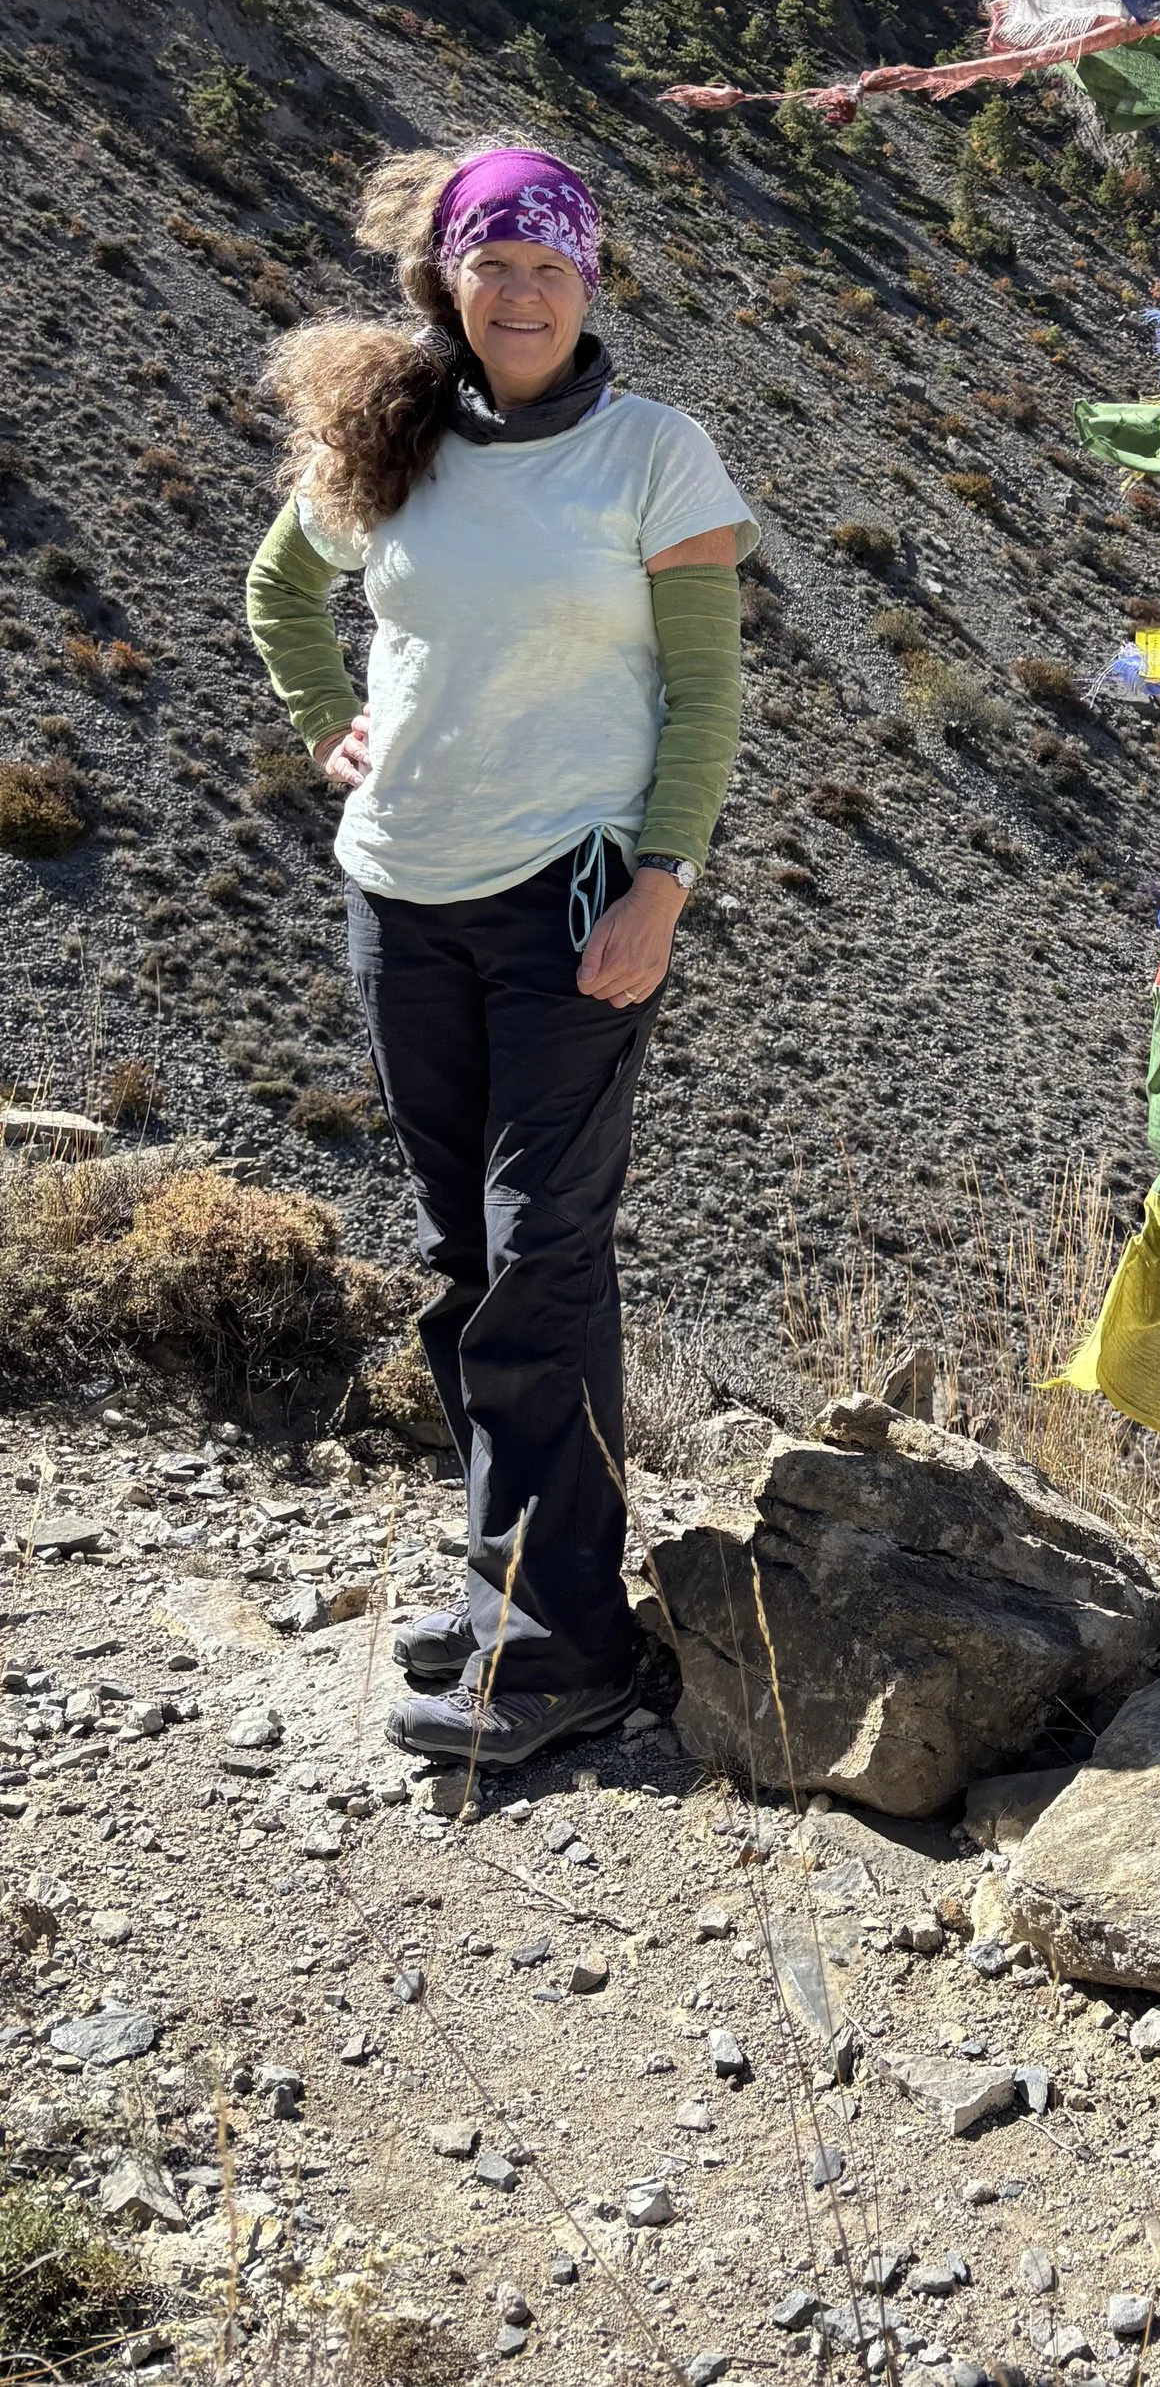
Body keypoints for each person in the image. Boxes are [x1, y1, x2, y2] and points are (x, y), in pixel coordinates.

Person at [245, 144, 752, 1770]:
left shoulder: (653, 455)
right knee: (469, 1257)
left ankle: (560, 1653)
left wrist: (662, 882)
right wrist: (333, 721)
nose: (521, 292)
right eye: (492, 264)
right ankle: (506, 1591)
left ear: (590, 281)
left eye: (550, 264)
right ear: (445, 282)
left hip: (570, 905)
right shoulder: (387, 442)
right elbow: (280, 594)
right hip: (398, 896)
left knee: (544, 1256)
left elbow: (706, 695)